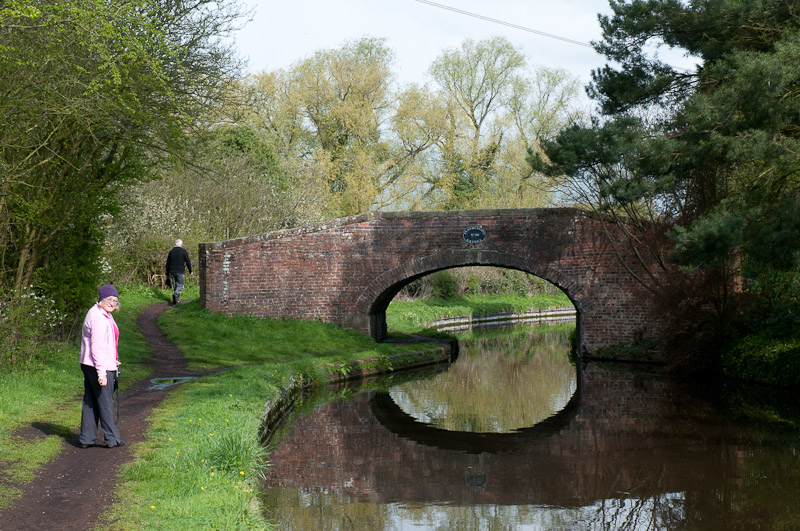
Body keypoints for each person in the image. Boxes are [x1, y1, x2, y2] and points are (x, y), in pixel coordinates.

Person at [78, 284, 124, 448]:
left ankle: (86, 439)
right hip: (98, 366)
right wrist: (102, 373)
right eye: (109, 300)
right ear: (101, 299)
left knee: (90, 401)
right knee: (105, 402)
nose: (112, 303)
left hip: (92, 363)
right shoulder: (98, 317)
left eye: (115, 301)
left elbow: (106, 342)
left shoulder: (103, 313)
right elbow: (97, 347)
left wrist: (113, 359)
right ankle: (112, 439)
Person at [165, 238, 192, 304]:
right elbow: (188, 261)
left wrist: (167, 273)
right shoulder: (183, 251)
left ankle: (177, 300)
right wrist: (190, 271)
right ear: (181, 244)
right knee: (181, 285)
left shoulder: (171, 251)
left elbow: (168, 263)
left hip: (172, 271)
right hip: (180, 271)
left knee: (175, 286)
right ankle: (176, 294)